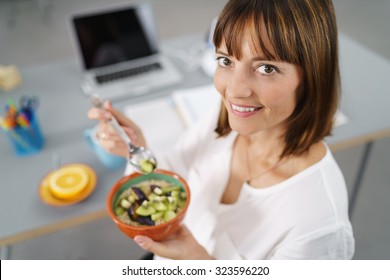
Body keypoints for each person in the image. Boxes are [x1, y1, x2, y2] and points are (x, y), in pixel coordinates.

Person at [88, 0, 354, 259]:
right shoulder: (227, 114)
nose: (234, 91)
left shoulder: (319, 225)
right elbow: (176, 172)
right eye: (226, 61)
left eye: (266, 68)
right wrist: (135, 147)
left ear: (313, 75)